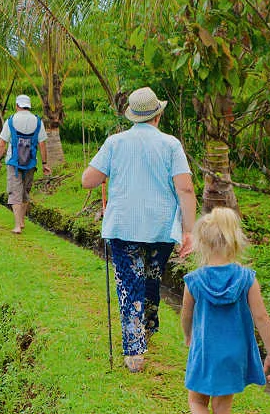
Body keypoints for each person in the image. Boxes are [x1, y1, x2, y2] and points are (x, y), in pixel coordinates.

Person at [81, 86, 196, 373]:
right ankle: (146, 330)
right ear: (157, 115)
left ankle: (134, 351)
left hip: (123, 226)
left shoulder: (115, 143)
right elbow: (186, 189)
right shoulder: (171, 145)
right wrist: (189, 231)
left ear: (132, 116)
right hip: (160, 228)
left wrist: (105, 169)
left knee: (129, 283)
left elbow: (88, 180)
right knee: (151, 280)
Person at [180, 207, 270, 414]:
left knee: (197, 400)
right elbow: (261, 317)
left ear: (201, 243)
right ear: (235, 242)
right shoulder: (247, 278)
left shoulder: (194, 281)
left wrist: (188, 337)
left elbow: (186, 315)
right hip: (235, 353)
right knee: (223, 403)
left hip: (206, 351)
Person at [0, 94, 51, 234]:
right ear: (29, 106)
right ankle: (22, 221)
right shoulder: (37, 122)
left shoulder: (11, 120)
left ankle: (17, 226)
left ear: (17, 105)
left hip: (13, 162)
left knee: (15, 192)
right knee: (25, 192)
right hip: (31, 162)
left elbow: (2, 143)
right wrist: (44, 163)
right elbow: (42, 144)